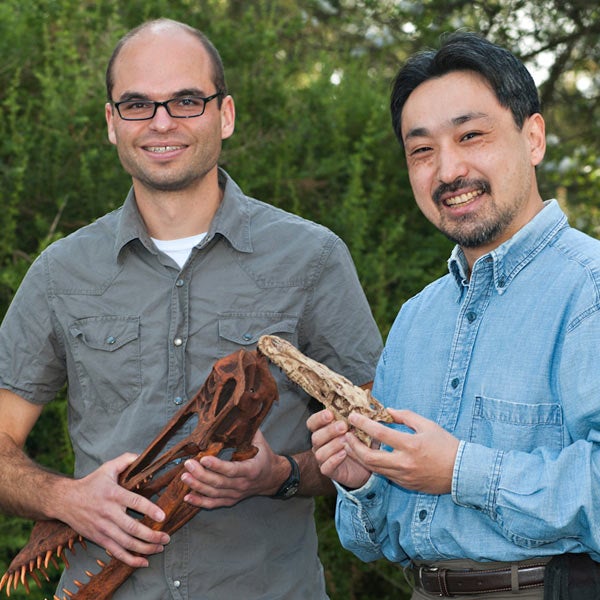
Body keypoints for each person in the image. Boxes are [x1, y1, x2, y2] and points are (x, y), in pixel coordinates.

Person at [0, 18, 383, 600]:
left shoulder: (312, 258)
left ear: (224, 114)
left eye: (185, 100)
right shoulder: (59, 273)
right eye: (136, 104)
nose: (161, 122)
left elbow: (375, 437)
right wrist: (65, 499)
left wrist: (278, 476)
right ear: (111, 123)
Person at [308, 31, 600, 600]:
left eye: (471, 136)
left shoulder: (589, 289)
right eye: (422, 150)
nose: (447, 170)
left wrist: (461, 469)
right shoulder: (417, 319)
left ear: (532, 137)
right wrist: (362, 480)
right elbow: (378, 541)